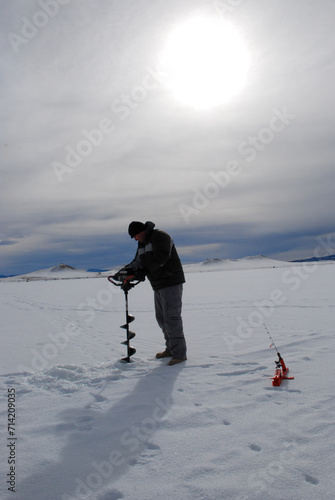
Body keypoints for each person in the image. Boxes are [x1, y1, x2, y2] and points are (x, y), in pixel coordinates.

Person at [114, 221, 187, 365]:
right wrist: (123, 273)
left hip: (171, 282)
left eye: (135, 236)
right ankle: (170, 349)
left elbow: (161, 258)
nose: (135, 239)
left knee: (171, 318)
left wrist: (144, 272)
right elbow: (138, 262)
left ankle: (179, 354)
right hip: (158, 285)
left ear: (142, 231)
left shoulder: (160, 237)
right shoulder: (142, 243)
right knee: (161, 319)